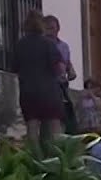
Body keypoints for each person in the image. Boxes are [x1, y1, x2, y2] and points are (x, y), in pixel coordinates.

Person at [13, 12, 66, 144]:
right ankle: (56, 158)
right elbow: (60, 67)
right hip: (49, 92)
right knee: (55, 127)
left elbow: (14, 68)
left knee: (32, 127)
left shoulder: (20, 45)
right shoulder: (48, 43)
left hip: (28, 91)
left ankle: (34, 159)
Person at [43, 15, 79, 133]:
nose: (49, 32)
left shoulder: (63, 46)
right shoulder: (42, 46)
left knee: (68, 115)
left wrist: (71, 70)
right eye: (47, 28)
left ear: (58, 29)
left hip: (62, 84)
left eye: (52, 28)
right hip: (47, 85)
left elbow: (67, 61)